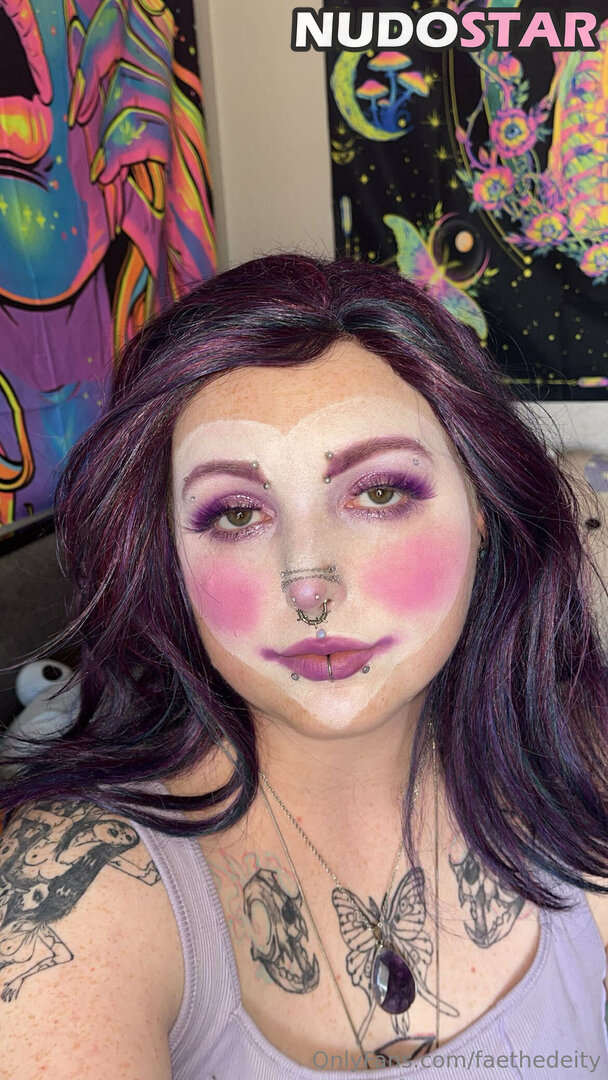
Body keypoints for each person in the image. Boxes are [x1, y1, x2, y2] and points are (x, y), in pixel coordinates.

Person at [1, 253, 608, 1078]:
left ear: (482, 509)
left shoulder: (577, 759)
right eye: (236, 513)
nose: (309, 586)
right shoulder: (83, 883)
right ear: (168, 555)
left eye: (379, 493)